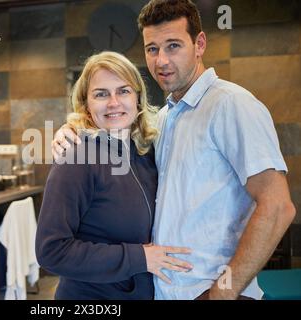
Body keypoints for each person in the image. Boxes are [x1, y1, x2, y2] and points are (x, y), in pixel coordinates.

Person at [51, 0, 296, 300]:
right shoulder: (165, 118)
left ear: (200, 44)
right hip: (165, 291)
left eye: (173, 46)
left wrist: (223, 292)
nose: (161, 60)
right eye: (152, 49)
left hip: (208, 291)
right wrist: (74, 129)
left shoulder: (231, 105)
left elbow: (278, 207)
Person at [35, 51, 193, 300]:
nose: (113, 103)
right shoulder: (75, 159)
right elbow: (51, 251)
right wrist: (139, 258)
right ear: (86, 103)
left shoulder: (145, 151)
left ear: (138, 98)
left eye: (123, 91)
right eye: (101, 94)